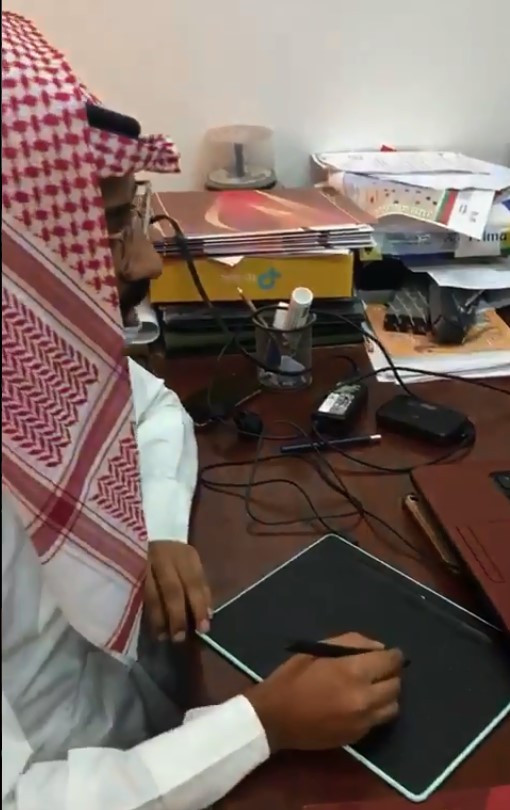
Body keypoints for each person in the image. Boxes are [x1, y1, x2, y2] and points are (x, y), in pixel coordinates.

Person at [2, 12, 404, 810]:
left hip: (154, 719)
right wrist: (260, 726)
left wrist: (152, 529)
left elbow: (149, 407)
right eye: (108, 225)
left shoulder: (34, 359)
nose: (149, 259)